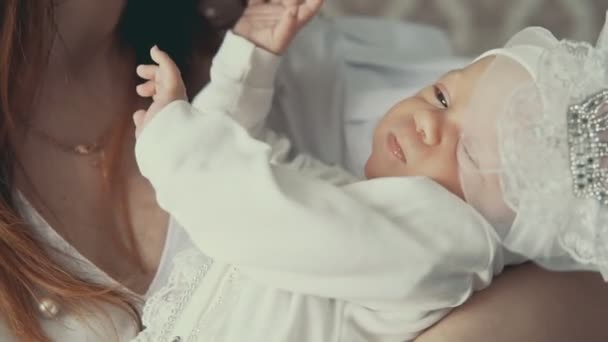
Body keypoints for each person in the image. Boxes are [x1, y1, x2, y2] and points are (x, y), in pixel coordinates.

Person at [1, 0, 607, 340]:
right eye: (442, 98)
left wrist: (174, 142)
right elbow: (263, 165)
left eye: (472, 154)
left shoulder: (448, 241)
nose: (428, 123)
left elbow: (274, 215)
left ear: (515, 223)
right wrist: (248, 63)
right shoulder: (362, 201)